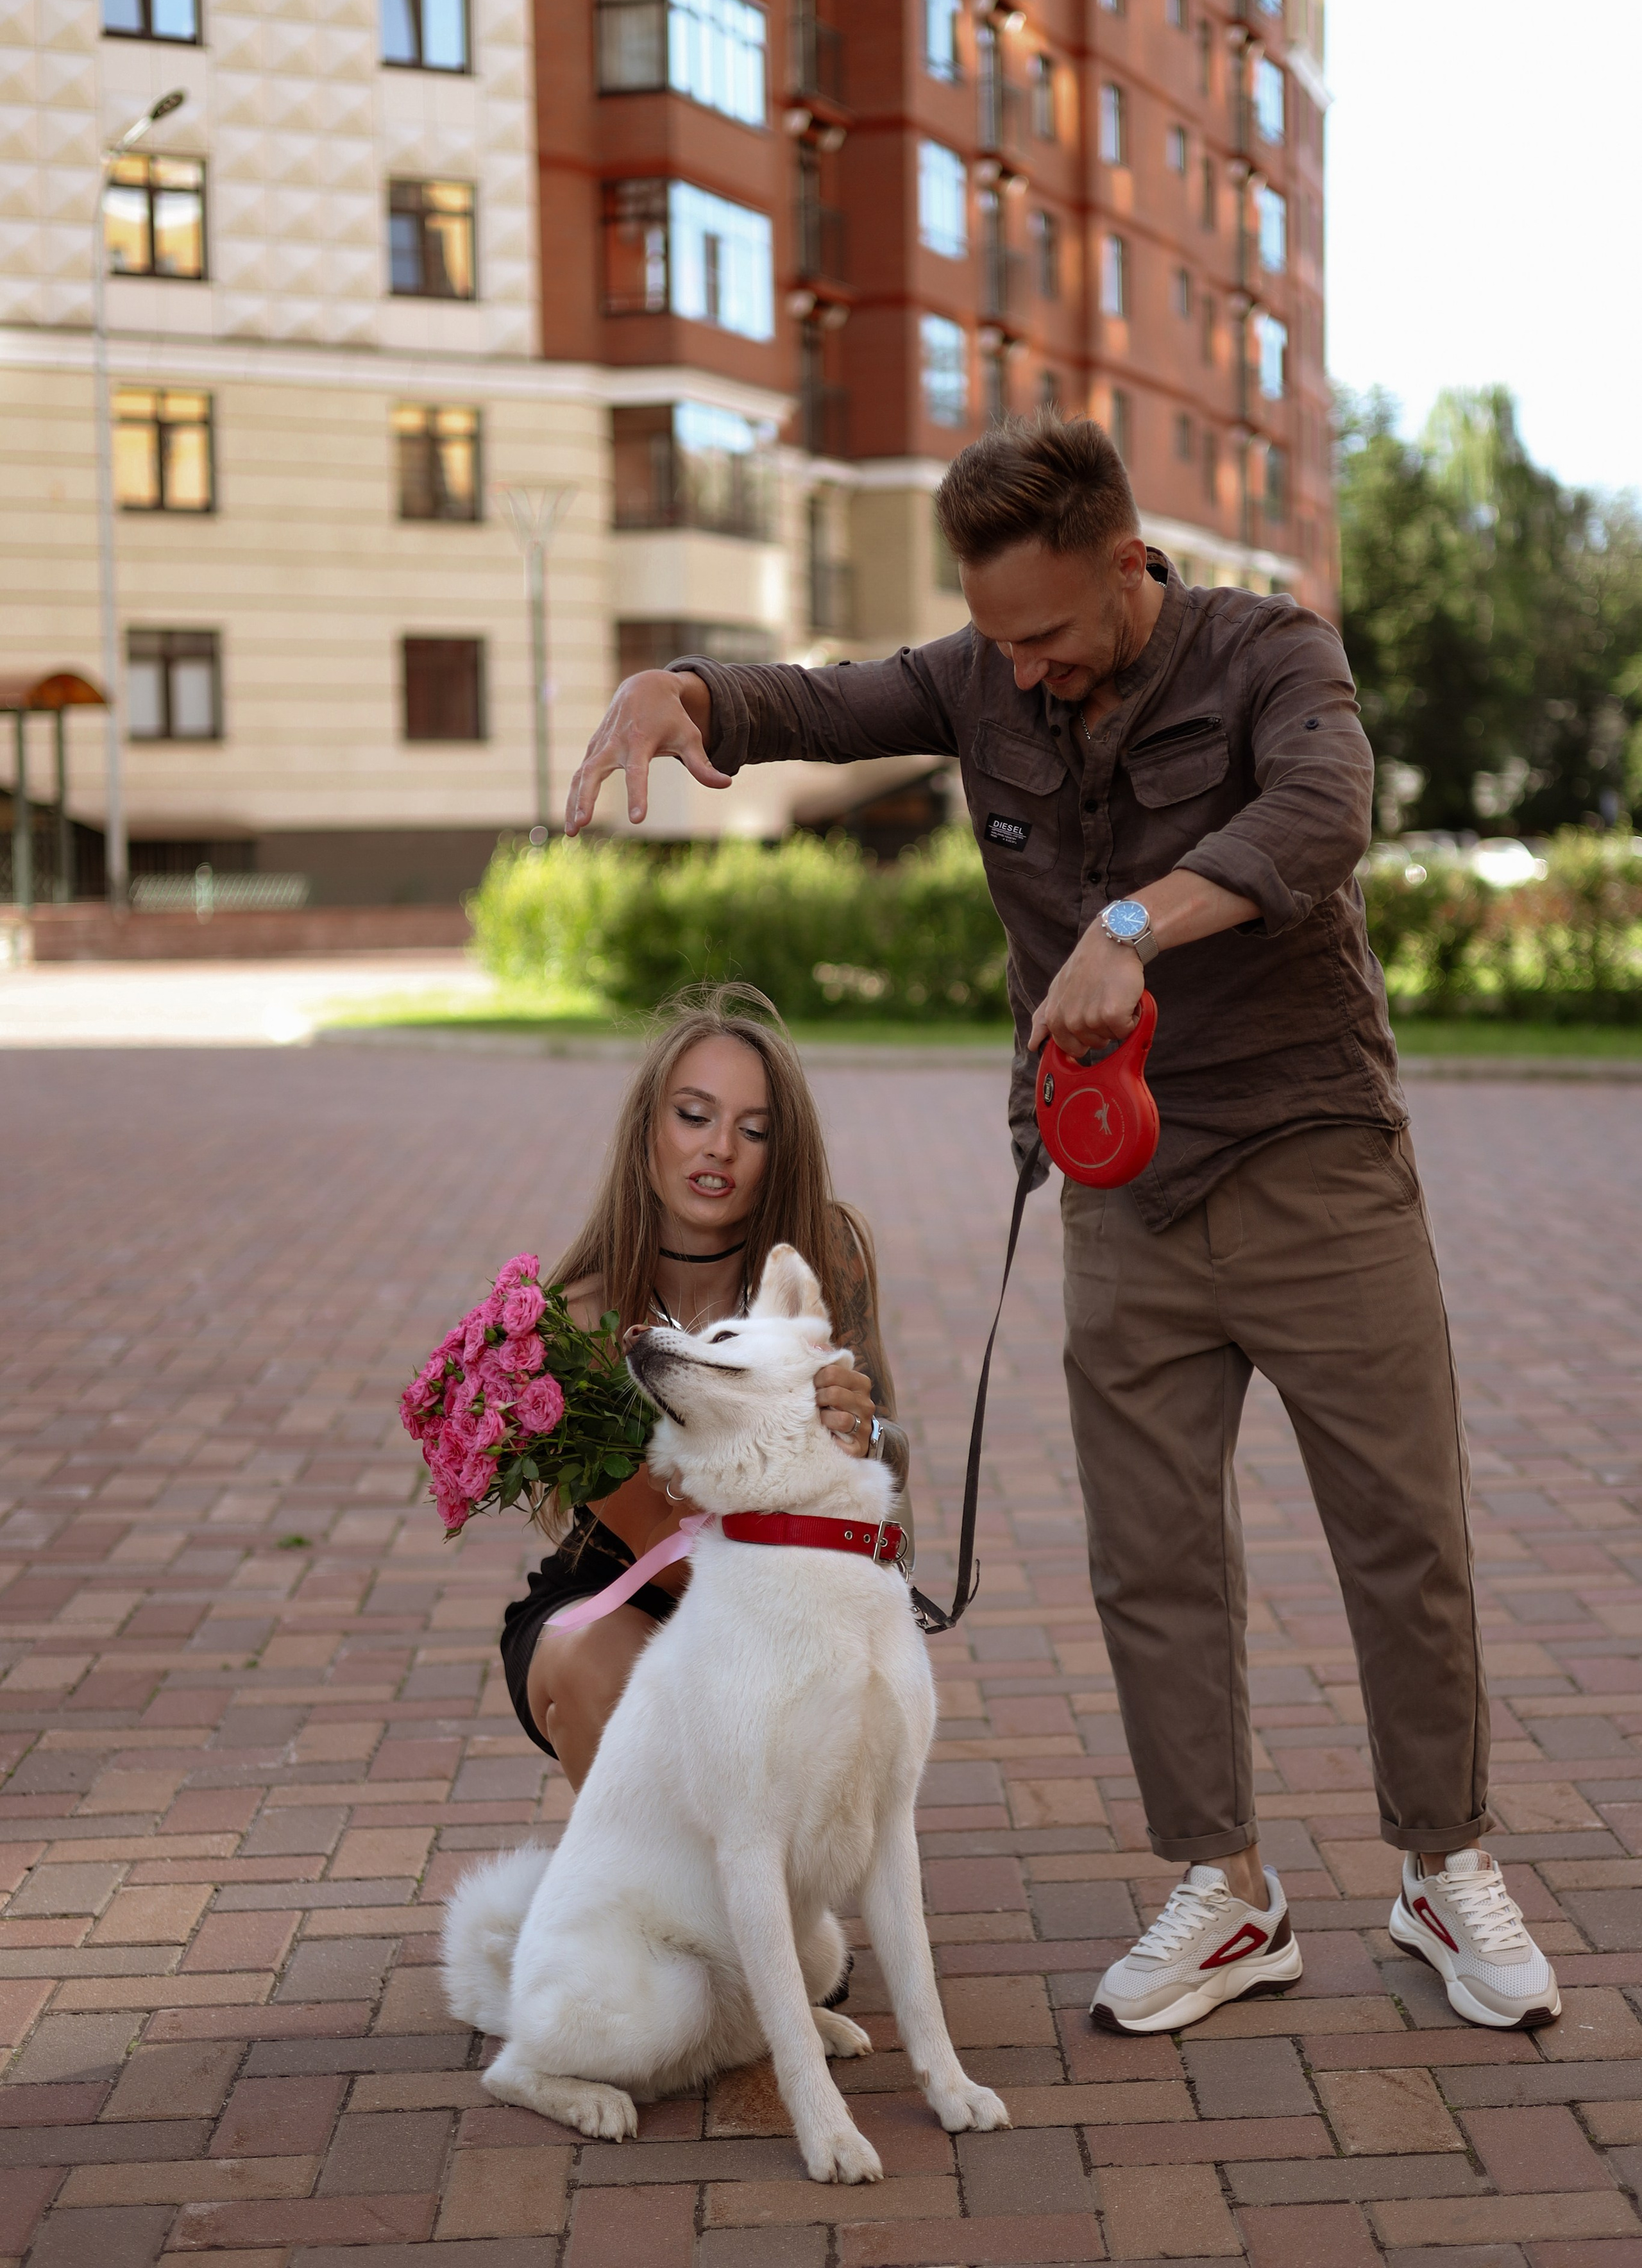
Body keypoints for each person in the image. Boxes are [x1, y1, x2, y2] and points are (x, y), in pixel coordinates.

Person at [562, 412, 1560, 2037]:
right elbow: (814, 700)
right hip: (1119, 1189)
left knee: (1400, 1533)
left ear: (1124, 562)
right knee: (1148, 1555)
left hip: (1312, 1156)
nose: (1013, 670)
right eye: (992, 636)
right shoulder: (978, 673)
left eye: (1041, 632)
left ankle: (1443, 1866)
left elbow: (1320, 813)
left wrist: (1128, 924)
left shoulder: (1266, 653)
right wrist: (676, 688)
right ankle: (1223, 1889)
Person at [500, 985, 911, 1792]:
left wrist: (864, 1442)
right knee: (604, 1670)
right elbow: (661, 1545)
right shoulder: (579, 1317)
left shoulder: (824, 1256)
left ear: (778, 1153)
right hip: (625, 1589)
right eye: (694, 1116)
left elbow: (884, 1471)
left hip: (789, 1591)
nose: (720, 1147)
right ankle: (635, 1899)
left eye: (753, 1130)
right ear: (648, 1129)